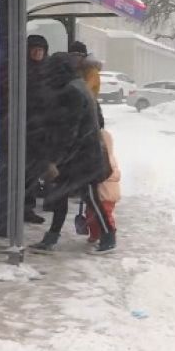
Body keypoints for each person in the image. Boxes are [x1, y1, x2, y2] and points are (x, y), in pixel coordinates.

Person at [30, 51, 115, 253]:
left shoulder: (71, 91)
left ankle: (108, 237)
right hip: (81, 154)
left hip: (79, 157)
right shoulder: (76, 86)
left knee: (88, 196)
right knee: (61, 196)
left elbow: (69, 130)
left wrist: (55, 160)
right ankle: (51, 239)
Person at [25, 34, 50, 225]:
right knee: (26, 172)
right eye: (34, 49)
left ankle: (29, 206)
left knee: (34, 171)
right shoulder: (22, 70)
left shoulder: (48, 71)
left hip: (41, 129)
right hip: (26, 128)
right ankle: (25, 207)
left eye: (41, 50)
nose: (37, 53)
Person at [86, 128, 120, 249]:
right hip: (103, 193)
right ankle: (95, 234)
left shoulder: (106, 160)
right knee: (92, 214)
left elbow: (111, 175)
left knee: (103, 215)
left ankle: (109, 236)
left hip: (106, 194)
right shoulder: (106, 158)